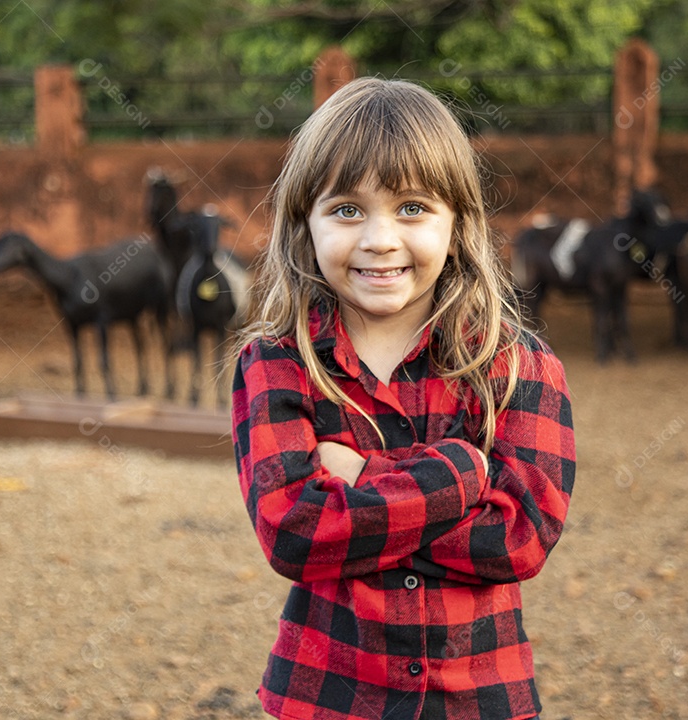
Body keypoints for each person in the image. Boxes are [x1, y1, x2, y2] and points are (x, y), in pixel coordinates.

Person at [231, 77, 576, 720]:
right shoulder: (276, 363)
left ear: (459, 223)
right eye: (347, 210)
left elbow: (521, 535)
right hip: (326, 697)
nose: (380, 239)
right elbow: (293, 533)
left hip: (480, 700)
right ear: (305, 224)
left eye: (413, 207)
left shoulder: (516, 363)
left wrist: (362, 478)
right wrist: (467, 474)